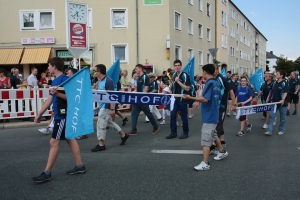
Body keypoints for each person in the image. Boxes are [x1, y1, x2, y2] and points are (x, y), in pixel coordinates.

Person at [32, 57, 85, 183]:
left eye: (49, 65)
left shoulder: (66, 80)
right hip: (60, 115)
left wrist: (57, 94)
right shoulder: (55, 81)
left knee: (54, 142)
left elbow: (73, 98)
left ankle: (47, 172)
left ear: (54, 66)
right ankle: (80, 165)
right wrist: (40, 113)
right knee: (70, 139)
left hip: (63, 115)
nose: (48, 68)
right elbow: (50, 99)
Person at [183, 64, 228, 171]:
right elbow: (217, 97)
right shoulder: (216, 83)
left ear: (204, 72)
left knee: (206, 140)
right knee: (213, 134)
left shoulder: (209, 83)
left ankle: (205, 163)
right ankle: (222, 151)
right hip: (214, 113)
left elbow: (205, 99)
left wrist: (190, 97)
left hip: (210, 116)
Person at [91, 64, 129, 152]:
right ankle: (123, 135)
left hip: (106, 107)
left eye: (95, 70)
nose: (94, 72)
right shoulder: (100, 81)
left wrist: (112, 109)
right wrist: (96, 88)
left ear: (99, 71)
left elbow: (112, 96)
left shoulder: (108, 81)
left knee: (100, 125)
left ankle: (101, 144)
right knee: (108, 122)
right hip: (102, 106)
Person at [128, 64, 160, 135]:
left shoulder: (145, 77)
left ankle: (155, 126)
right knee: (134, 114)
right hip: (138, 99)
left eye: (136, 69)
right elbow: (139, 88)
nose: (135, 70)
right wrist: (135, 91)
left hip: (143, 99)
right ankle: (133, 129)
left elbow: (146, 88)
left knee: (148, 113)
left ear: (140, 69)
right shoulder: (138, 78)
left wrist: (141, 95)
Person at [211, 65, 235, 150]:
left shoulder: (222, 79)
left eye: (213, 69)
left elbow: (231, 91)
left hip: (221, 106)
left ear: (217, 70)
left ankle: (214, 144)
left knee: (218, 124)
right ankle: (222, 140)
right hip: (214, 106)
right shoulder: (212, 79)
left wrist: (233, 104)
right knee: (219, 123)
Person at [166, 59, 191, 139]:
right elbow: (173, 86)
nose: (177, 67)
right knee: (173, 115)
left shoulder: (185, 75)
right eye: (175, 65)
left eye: (178, 65)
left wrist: (178, 82)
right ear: (174, 66)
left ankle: (185, 132)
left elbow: (187, 88)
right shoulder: (173, 76)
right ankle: (173, 132)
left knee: (183, 116)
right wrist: (170, 88)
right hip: (175, 99)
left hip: (182, 98)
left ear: (181, 66)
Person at [265, 70, 288, 136]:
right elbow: (271, 91)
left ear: (281, 75)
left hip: (282, 103)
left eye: (277, 74)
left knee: (282, 117)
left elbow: (286, 92)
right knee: (272, 116)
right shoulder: (274, 83)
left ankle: (281, 130)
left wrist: (283, 99)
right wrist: (268, 98)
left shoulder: (284, 83)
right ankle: (269, 131)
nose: (276, 75)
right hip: (274, 103)